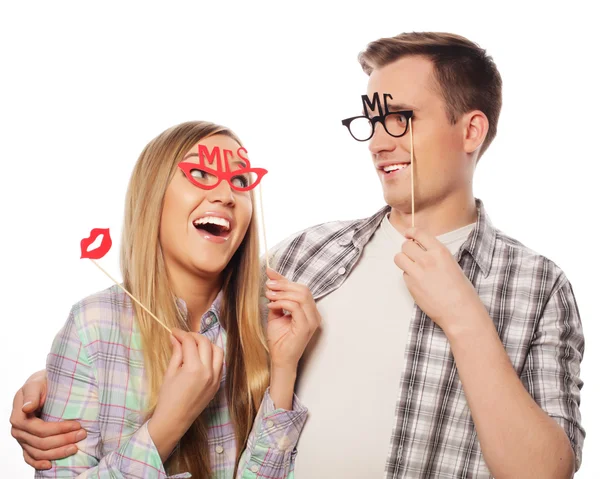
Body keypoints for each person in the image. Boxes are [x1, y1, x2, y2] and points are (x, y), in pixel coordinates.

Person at [11, 32, 585, 478]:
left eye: (400, 118)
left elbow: (547, 472)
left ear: (471, 130)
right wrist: (56, 383)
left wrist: (464, 319)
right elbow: (195, 330)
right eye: (373, 119)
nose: (380, 141)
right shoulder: (307, 255)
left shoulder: (539, 287)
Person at [11, 120, 320, 478]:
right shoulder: (91, 326)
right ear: (153, 196)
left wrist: (283, 370)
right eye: (201, 173)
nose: (225, 194)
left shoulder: (275, 326)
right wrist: (167, 425)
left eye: (239, 180)